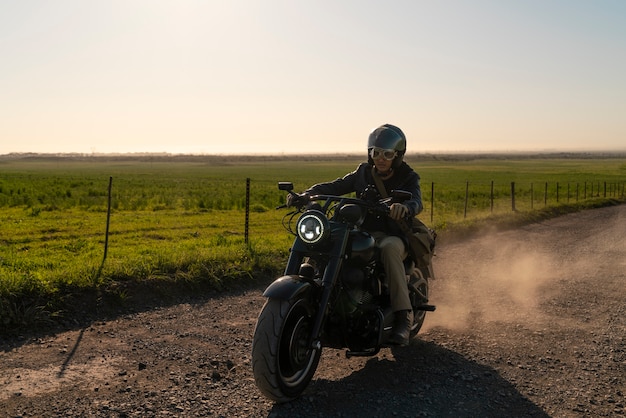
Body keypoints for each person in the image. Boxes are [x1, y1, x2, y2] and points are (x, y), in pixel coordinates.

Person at [288, 123, 423, 346]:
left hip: (392, 233)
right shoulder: (363, 172)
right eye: (376, 152)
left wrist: (406, 207)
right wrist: (307, 194)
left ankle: (403, 316)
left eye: (387, 154)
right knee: (325, 240)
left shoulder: (408, 177)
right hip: (360, 230)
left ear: (397, 156)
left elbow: (416, 200)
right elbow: (335, 186)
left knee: (388, 250)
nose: (380, 158)